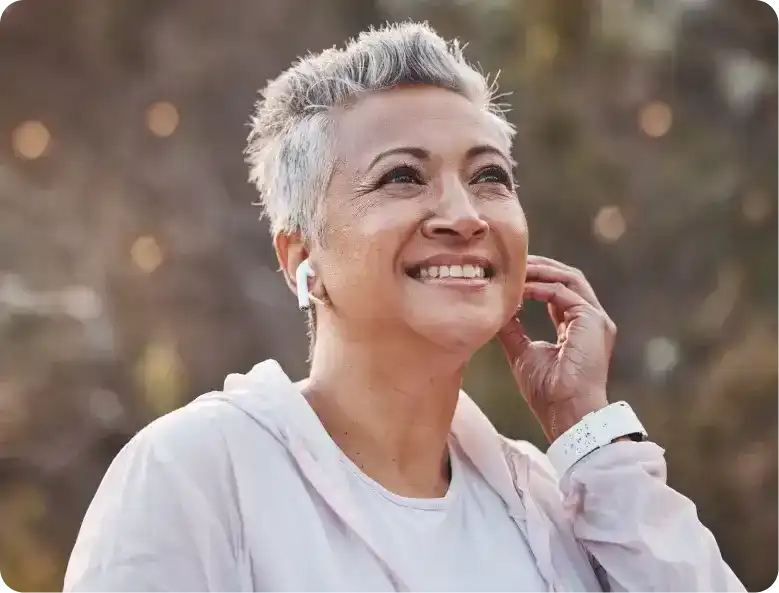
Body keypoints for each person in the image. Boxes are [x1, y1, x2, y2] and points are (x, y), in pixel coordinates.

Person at [63, 22, 747, 593]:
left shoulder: (543, 497)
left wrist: (586, 428)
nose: (462, 214)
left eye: (488, 177)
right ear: (300, 257)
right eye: (401, 177)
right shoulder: (197, 472)